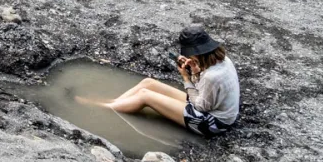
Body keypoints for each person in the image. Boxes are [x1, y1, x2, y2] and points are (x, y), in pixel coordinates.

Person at [94, 25, 239, 137]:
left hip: (214, 123)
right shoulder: (223, 61)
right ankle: (113, 102)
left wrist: (186, 78)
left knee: (145, 95)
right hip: (209, 107)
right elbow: (204, 93)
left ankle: (103, 108)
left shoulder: (211, 76)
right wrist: (196, 71)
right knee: (148, 83)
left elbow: (201, 106)